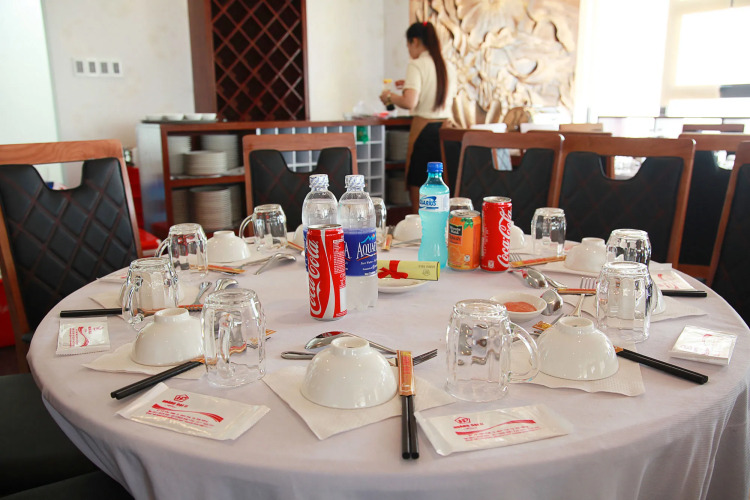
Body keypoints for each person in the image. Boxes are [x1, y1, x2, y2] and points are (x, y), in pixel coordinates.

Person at [380, 21, 457, 213]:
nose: (409, 51)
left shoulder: (417, 64)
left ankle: (420, 228)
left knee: (420, 190)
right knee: (443, 191)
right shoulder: (448, 65)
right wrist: (409, 85)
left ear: (414, 41)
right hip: (448, 133)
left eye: (408, 46)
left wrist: (389, 96)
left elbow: (409, 102)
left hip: (425, 133)